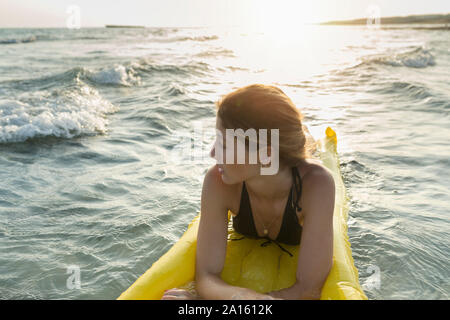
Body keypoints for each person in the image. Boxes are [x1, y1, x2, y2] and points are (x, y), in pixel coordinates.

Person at [162, 84, 335, 300]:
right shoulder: (217, 181)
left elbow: (308, 291)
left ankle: (310, 138)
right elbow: (206, 277)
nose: (213, 153)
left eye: (224, 145)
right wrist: (243, 297)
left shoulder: (317, 185)